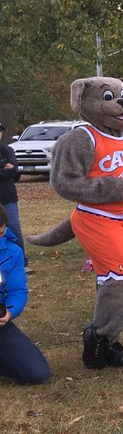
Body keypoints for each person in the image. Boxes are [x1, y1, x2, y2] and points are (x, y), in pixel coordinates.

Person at [0, 205, 49, 384]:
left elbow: (17, 290)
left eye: (0, 233)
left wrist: (9, 312)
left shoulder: (12, 252)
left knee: (37, 373)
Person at [0, 122, 23, 254]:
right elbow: (8, 170)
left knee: (14, 229)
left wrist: (8, 169)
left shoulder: (7, 150)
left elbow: (14, 172)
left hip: (8, 197)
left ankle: (22, 261)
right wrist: (3, 166)